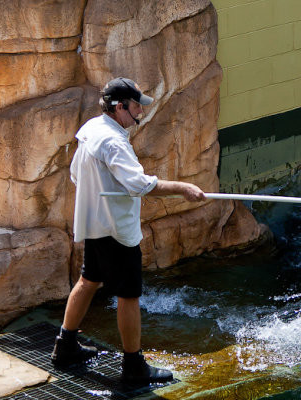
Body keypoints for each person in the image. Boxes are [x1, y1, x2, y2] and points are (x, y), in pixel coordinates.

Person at [51, 77, 206, 384]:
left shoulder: (91, 130)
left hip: (95, 223)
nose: (140, 113)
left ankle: (65, 346)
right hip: (116, 231)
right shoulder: (113, 141)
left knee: (89, 278)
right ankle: (133, 366)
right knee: (129, 294)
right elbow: (139, 184)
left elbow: (74, 175)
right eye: (136, 106)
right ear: (119, 107)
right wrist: (183, 188)